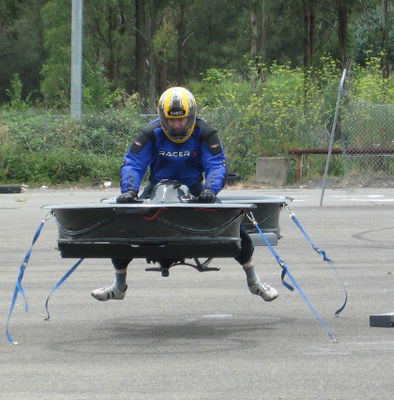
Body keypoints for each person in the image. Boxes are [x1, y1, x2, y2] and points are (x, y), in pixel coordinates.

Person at [91, 87, 278, 302]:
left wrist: (210, 189)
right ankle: (119, 286)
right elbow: (133, 163)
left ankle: (254, 281)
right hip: (156, 189)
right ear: (163, 118)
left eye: (182, 120)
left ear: (192, 116)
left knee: (233, 225)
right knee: (123, 227)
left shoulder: (206, 132)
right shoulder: (149, 134)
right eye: (171, 121)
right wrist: (130, 191)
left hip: (195, 189)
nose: (177, 125)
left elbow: (216, 164)